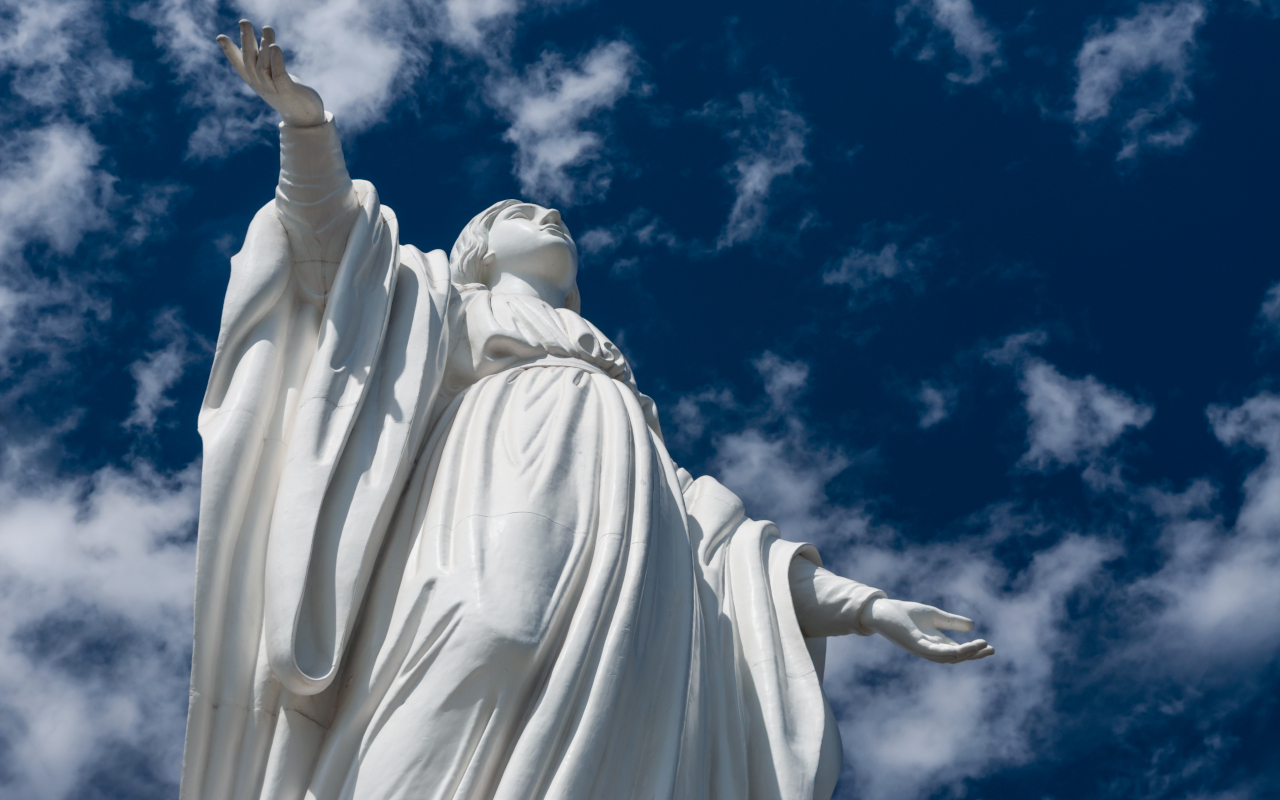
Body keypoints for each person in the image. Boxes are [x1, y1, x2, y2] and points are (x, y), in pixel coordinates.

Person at [180, 21, 993, 800]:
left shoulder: (625, 407)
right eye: (523, 214)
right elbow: (330, 252)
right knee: (489, 634)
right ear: (483, 250)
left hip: (626, 522)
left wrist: (870, 610)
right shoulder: (436, 301)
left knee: (629, 711)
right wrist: (306, 128)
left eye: (551, 214)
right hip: (494, 460)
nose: (551, 217)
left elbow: (729, 558)